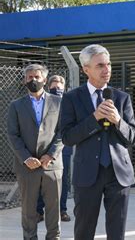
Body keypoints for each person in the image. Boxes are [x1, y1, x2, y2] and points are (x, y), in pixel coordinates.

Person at [60, 44, 135, 239]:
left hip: (118, 174)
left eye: (109, 64)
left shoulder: (122, 98)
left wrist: (118, 122)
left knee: (116, 232)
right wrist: (93, 119)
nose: (107, 69)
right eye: (100, 65)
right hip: (87, 175)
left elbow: (134, 138)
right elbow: (68, 138)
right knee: (84, 231)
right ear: (86, 69)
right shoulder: (71, 98)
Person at [7, 64, 63, 240]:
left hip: (52, 166)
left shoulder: (59, 102)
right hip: (27, 167)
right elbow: (13, 135)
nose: (34, 80)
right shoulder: (16, 105)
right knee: (29, 211)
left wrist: (51, 154)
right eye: (30, 77)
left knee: (54, 210)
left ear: (45, 80)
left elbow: (63, 132)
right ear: (25, 80)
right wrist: (26, 158)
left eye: (37, 77)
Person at [36, 75, 73, 223]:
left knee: (62, 180)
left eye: (59, 86)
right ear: (48, 86)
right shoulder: (43, 102)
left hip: (63, 148)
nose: (56, 88)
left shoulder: (69, 102)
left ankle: (62, 210)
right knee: (41, 179)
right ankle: (39, 210)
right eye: (54, 86)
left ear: (64, 87)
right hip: (44, 147)